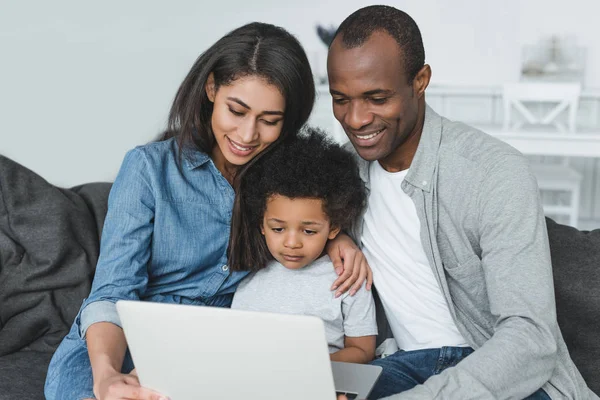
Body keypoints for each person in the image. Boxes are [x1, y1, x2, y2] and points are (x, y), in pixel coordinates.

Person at [44, 22, 370, 400]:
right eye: (237, 110)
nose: (248, 135)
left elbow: (309, 218)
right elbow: (112, 293)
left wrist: (336, 237)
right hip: (125, 339)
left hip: (221, 346)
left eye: (269, 121)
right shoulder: (149, 169)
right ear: (212, 88)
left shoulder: (285, 182)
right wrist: (105, 376)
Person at [327, 5, 597, 400]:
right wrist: (335, 237)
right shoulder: (342, 174)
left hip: (502, 375)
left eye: (376, 97)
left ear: (420, 81)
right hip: (401, 363)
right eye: (340, 99)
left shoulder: (494, 172)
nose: (355, 119)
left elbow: (531, 340)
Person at [229, 127, 377, 364]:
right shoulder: (247, 270)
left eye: (308, 231)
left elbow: (362, 349)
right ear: (262, 224)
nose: (291, 243)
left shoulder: (347, 277)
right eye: (278, 229)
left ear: (334, 227)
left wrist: (309, 367)